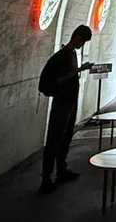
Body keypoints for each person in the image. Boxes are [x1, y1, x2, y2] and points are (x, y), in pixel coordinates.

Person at [37, 24, 93, 195]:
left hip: (69, 101)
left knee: (66, 136)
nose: (82, 45)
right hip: (62, 102)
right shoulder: (61, 57)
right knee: (54, 139)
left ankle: (61, 169)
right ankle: (46, 178)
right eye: (82, 41)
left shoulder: (71, 54)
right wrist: (79, 70)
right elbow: (58, 79)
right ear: (77, 37)